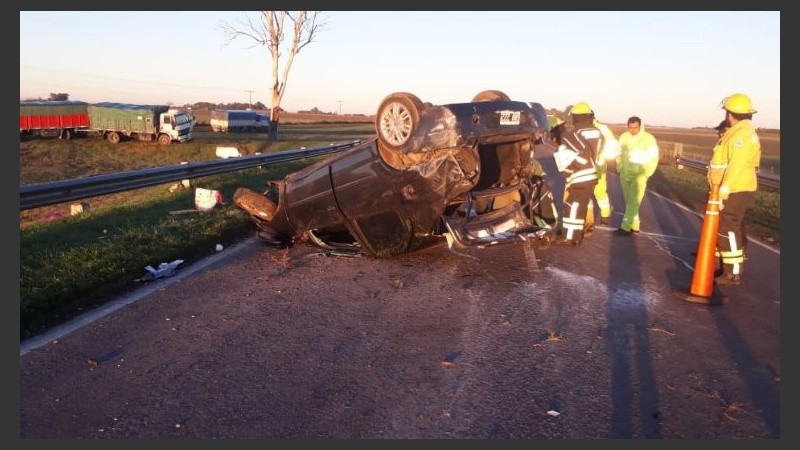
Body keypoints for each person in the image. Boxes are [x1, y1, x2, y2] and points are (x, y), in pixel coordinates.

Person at [707, 93, 761, 286]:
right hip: (734, 187)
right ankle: (727, 267)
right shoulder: (738, 131)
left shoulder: (741, 135)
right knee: (729, 227)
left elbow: (736, 165)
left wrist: (725, 189)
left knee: (728, 227)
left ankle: (732, 272)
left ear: (730, 114)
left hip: (736, 188)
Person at [551, 102, 602, 246]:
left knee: (573, 206)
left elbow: (569, 154)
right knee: (579, 206)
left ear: (575, 116)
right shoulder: (597, 131)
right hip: (591, 172)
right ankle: (574, 235)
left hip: (580, 174)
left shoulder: (574, 133)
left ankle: (570, 238)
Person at [614, 116, 659, 236]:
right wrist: (619, 167)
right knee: (629, 201)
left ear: (640, 126)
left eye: (635, 127)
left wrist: (646, 173)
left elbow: (653, 157)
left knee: (634, 201)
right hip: (625, 173)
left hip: (639, 175)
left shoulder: (648, 139)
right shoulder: (624, 137)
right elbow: (619, 153)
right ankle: (635, 225)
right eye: (630, 127)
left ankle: (625, 227)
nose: (633, 130)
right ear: (627, 126)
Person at [583, 108, 620, 233]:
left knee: (599, 192)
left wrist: (602, 157)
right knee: (585, 192)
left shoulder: (602, 129)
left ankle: (605, 215)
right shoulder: (581, 127)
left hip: (598, 165)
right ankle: (586, 218)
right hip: (584, 166)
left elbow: (612, 146)